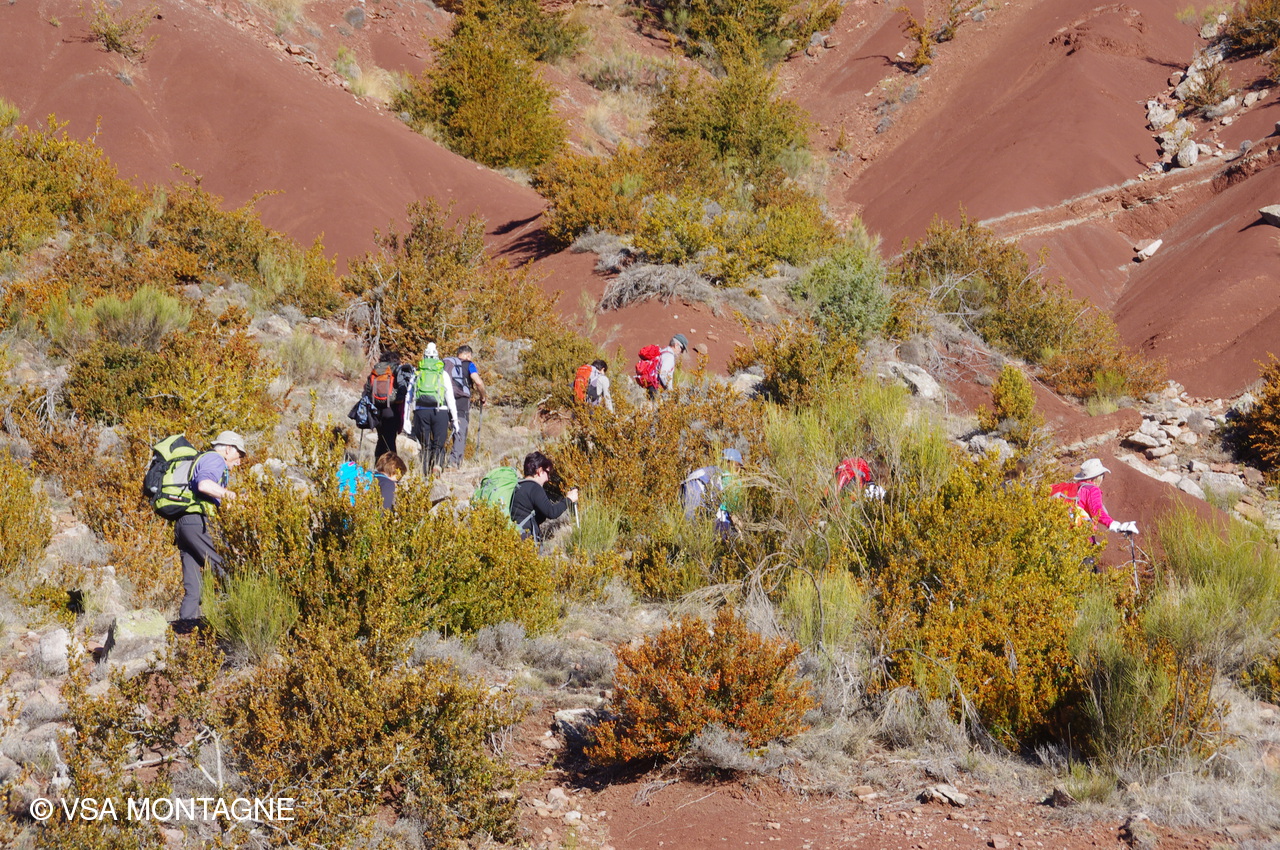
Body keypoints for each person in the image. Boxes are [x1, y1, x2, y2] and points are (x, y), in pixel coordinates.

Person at [173, 431, 246, 631]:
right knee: (225, 568)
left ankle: (185, 630)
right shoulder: (215, 459)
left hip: (184, 525)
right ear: (228, 449)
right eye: (239, 455)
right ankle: (238, 622)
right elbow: (204, 484)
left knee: (193, 585)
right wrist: (232, 496)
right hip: (198, 523)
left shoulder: (203, 458)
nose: (239, 462)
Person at [404, 342, 458, 476]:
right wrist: (455, 419)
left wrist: (406, 418)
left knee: (425, 445)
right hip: (440, 410)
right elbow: (450, 398)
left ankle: (425, 475)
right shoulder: (442, 373)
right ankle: (437, 466)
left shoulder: (417, 372)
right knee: (439, 444)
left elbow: (408, 397)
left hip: (421, 411)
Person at [1053, 458, 1139, 542]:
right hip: (1080, 538)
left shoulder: (1067, 487)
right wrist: (1117, 525)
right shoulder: (1092, 490)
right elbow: (1097, 512)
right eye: (1103, 476)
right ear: (1098, 477)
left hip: (1057, 535)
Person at [510, 450, 579, 542]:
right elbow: (552, 512)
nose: (548, 478)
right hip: (526, 540)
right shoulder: (534, 488)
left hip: (514, 537)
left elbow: (535, 516)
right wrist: (569, 499)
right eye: (547, 473)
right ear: (539, 471)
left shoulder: (519, 486)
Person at [444, 345, 488, 468]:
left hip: (444, 398)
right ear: (468, 355)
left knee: (443, 429)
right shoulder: (469, 364)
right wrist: (483, 396)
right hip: (461, 400)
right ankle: (454, 462)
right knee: (460, 428)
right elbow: (478, 382)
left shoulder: (447, 363)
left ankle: (438, 459)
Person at [367, 350, 415, 461]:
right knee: (390, 441)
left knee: (381, 439)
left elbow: (368, 390)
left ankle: (377, 465)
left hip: (377, 410)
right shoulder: (396, 370)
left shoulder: (376, 371)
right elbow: (402, 391)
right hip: (391, 411)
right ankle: (392, 466)